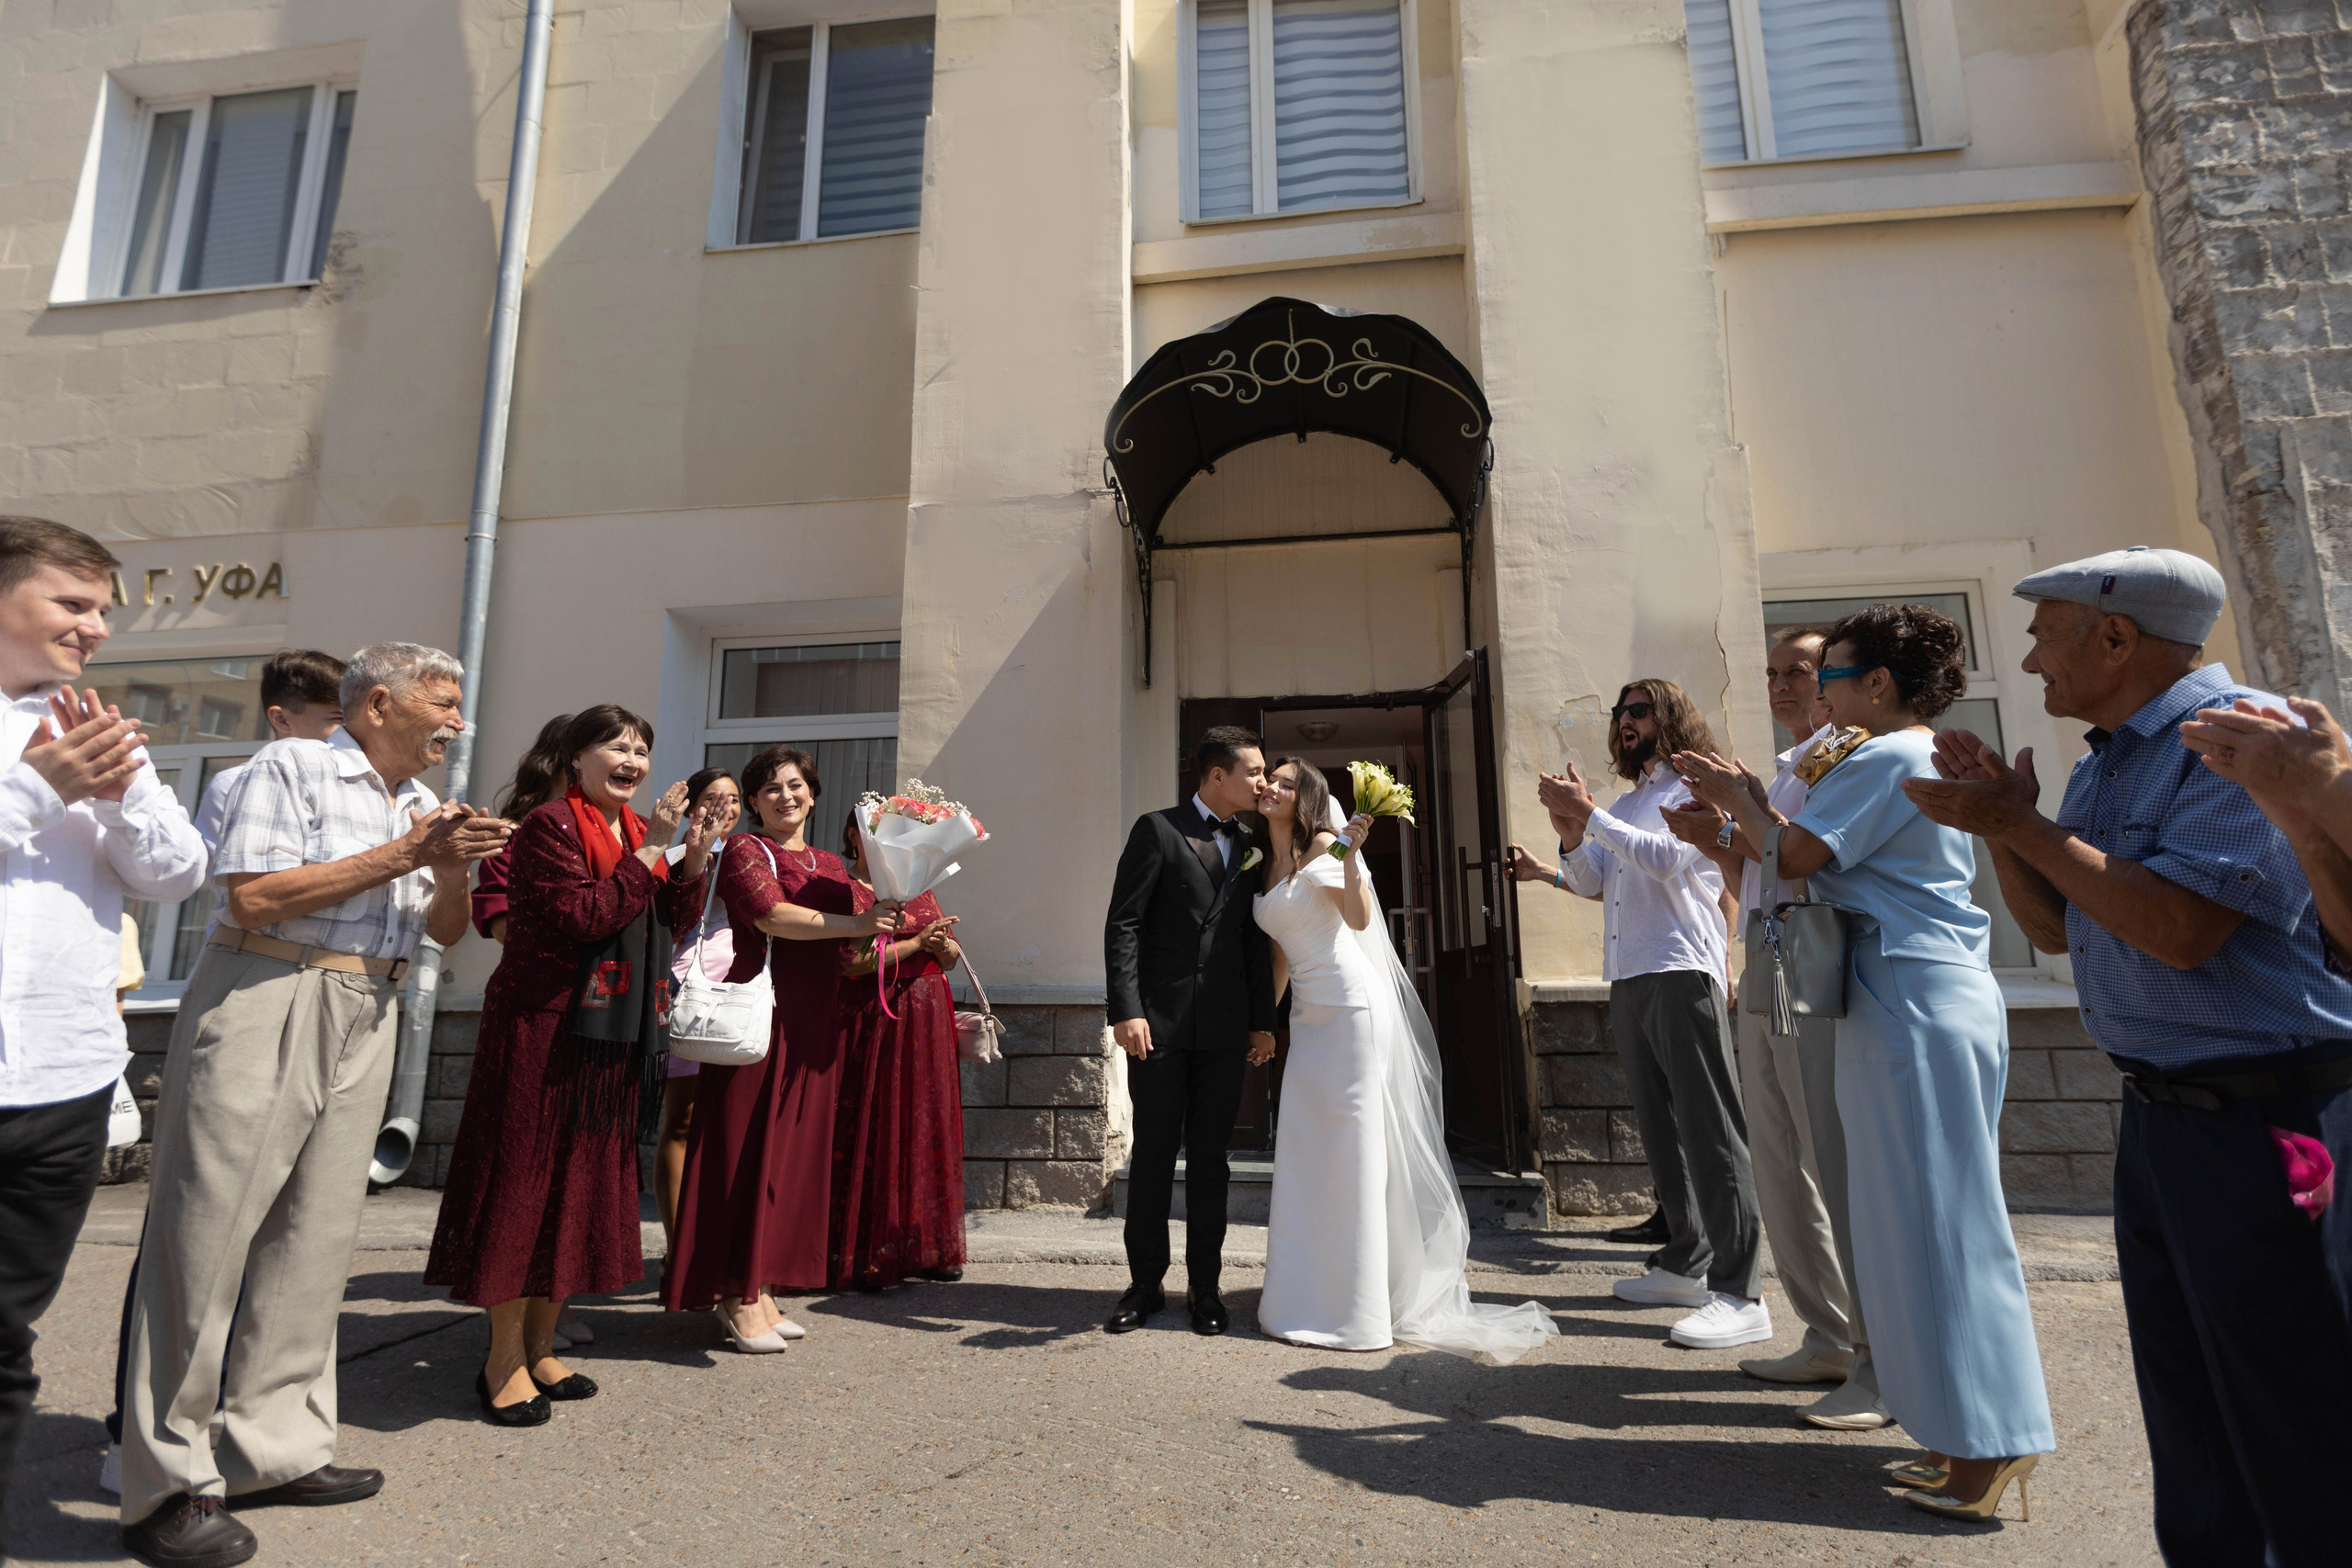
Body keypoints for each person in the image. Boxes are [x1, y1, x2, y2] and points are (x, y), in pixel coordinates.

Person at [1908, 547, 2352, 1558]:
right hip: (2165, 1124)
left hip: (2267, 1122)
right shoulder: (2111, 753)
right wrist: (2005, 831)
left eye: (2041, 636)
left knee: (2298, 1414)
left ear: (2115, 635)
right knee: (2191, 1411)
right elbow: (2065, 927)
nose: (2027, 666)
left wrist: (2024, 825)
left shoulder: (2241, 737)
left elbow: (2182, 932)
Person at [119, 643, 511, 1568]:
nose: (457, 722)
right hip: (267, 994)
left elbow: (444, 932)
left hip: (366, 1007)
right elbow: (253, 898)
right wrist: (410, 852)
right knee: (204, 1239)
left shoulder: (419, 805)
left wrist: (448, 868)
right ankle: (166, 1486)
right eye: (443, 703)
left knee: (314, 1238)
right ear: (380, 702)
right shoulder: (289, 765)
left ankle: (274, 1448)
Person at [1684, 602, 2054, 1521]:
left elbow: (1797, 853)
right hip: (1839, 975)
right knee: (1899, 1222)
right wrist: (1740, 819)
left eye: (1826, 674)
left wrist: (1738, 804)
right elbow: (1777, 861)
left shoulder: (1885, 752)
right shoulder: (1843, 756)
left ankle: (1985, 1437)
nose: (1803, 691)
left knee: (1936, 1227)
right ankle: (1946, 1426)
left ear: (1875, 684)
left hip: (1898, 990)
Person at [0, 518, 207, 1562]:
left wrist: (124, 794)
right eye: (71, 604)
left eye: (102, 608)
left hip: (63, 1081)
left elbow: (177, 873)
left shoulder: (89, 727)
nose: (97, 626)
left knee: (5, 1338)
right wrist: (41, 787)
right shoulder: (47, 750)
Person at [98, 649, 348, 1499]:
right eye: (328, 722)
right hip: (255, 980)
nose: (339, 741)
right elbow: (250, 891)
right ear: (284, 717)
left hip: (328, 991)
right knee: (199, 1227)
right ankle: (129, 1439)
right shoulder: (256, 776)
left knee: (276, 1232)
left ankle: (255, 1440)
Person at [424, 706, 716, 1423]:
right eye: (616, 745)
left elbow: (657, 923)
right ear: (575, 759)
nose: (633, 757)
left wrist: (692, 859)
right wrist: (652, 853)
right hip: (541, 1028)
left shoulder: (626, 829)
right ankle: (501, 1359)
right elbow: (587, 917)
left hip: (605, 1032)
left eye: (643, 747)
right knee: (523, 1186)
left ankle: (542, 1345)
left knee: (575, 1189)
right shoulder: (551, 824)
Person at [1253, 758, 1558, 1360]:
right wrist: (1265, 1022)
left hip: (1350, 1012)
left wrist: (1346, 853)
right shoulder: (1268, 858)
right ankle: (1304, 1295)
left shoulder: (1323, 841)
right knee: (1309, 1148)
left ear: (1307, 796)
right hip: (1309, 1020)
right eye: (1272, 778)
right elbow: (1282, 952)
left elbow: (1361, 917)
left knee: (1353, 1151)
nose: (1274, 787)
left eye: (1288, 782)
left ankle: (1356, 1310)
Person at [1660, 632, 1887, 1429]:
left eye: (1801, 670)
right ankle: (1826, 1331)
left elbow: (1802, 856)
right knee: (1778, 1153)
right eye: (1773, 672)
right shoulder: (1793, 765)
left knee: (1829, 1154)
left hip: (1816, 961)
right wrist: (1714, 835)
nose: (1783, 683)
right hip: (1771, 954)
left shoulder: (1851, 752)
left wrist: (1738, 809)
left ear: (1840, 683)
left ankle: (1876, 1355)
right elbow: (1758, 868)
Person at [1510, 679, 1767, 1351]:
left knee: (1711, 1130)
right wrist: (1571, 835)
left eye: (1638, 710)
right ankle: (1687, 1261)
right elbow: (1596, 878)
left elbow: (1664, 858)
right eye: (1620, 712)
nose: (1624, 721)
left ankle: (1741, 1290)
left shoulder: (1695, 787)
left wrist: (1591, 817)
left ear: (1671, 718)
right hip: (1630, 974)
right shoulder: (1630, 799)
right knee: (1661, 1127)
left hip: (1683, 970)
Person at [662, 745, 898, 1350]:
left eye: (796, 785)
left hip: (816, 1019)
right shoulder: (746, 849)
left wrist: (889, 930)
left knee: (787, 1159)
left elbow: (847, 957)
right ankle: (730, 1295)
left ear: (813, 793)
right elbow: (770, 915)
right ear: (757, 802)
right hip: (761, 1015)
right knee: (743, 1152)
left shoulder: (829, 863)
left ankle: (761, 1286)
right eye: (770, 788)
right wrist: (859, 924)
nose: (785, 796)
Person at [1102, 727, 1279, 1337]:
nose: (1263, 781)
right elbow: (1123, 923)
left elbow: (1256, 939)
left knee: (1211, 1161)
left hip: (1226, 1029)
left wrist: (1263, 1019)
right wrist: (1127, 1008)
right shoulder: (1158, 829)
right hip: (1160, 1025)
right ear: (1215, 776)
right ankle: (1145, 1283)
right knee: (1152, 1154)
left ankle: (1206, 1287)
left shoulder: (1253, 839)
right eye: (1253, 772)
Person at [832, 811, 967, 1290]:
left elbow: (948, 958)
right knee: (880, 1123)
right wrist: (914, 947)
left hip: (929, 1012)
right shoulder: (849, 889)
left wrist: (940, 945)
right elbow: (851, 964)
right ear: (857, 837)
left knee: (924, 1122)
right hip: (877, 1014)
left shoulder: (922, 886)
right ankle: (872, 1253)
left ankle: (929, 1247)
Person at [659, 767, 741, 1248]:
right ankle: (677, 1249)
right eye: (713, 797)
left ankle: (720, 1248)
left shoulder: (752, 856)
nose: (724, 807)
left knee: (731, 1126)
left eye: (732, 799)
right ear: (692, 806)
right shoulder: (669, 857)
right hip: (687, 998)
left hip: (742, 1002)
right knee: (683, 1121)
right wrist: (692, 857)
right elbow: (667, 925)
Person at [191, 650, 348, 853]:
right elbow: (234, 881)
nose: (351, 733)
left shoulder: (370, 781)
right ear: (281, 720)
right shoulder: (233, 785)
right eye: (338, 719)